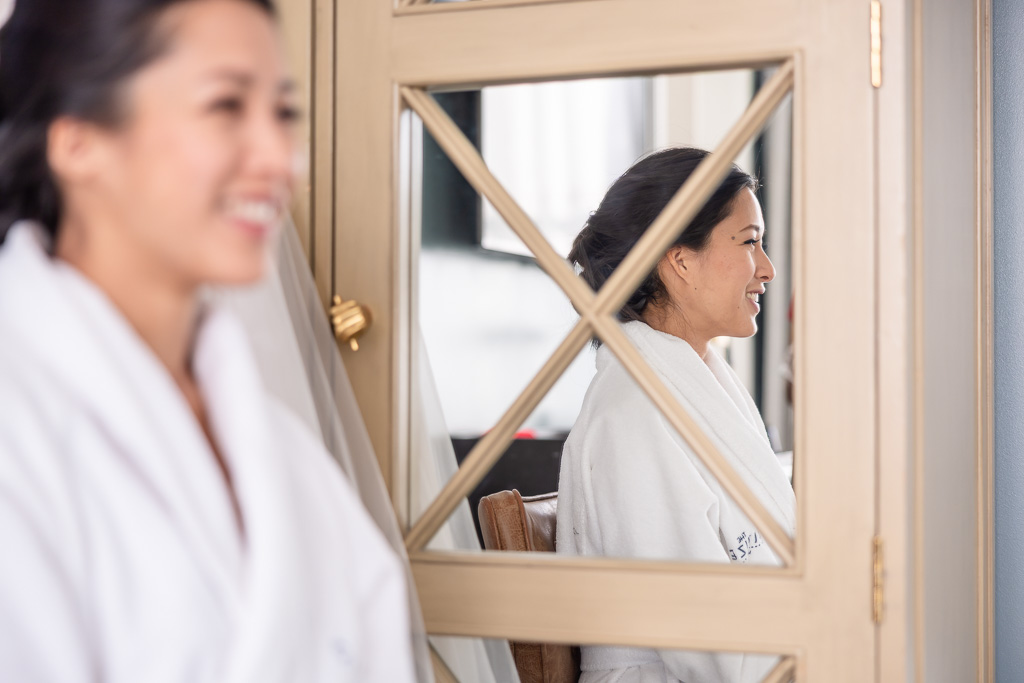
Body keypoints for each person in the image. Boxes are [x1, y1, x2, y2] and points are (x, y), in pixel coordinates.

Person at [0, 1, 417, 681]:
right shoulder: (18, 421)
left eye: (283, 114)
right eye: (226, 106)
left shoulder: (275, 445)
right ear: (77, 141)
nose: (280, 157)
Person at [556, 147, 796, 683]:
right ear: (680, 260)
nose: (768, 268)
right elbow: (705, 639)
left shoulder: (699, 385)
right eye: (749, 242)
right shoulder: (633, 414)